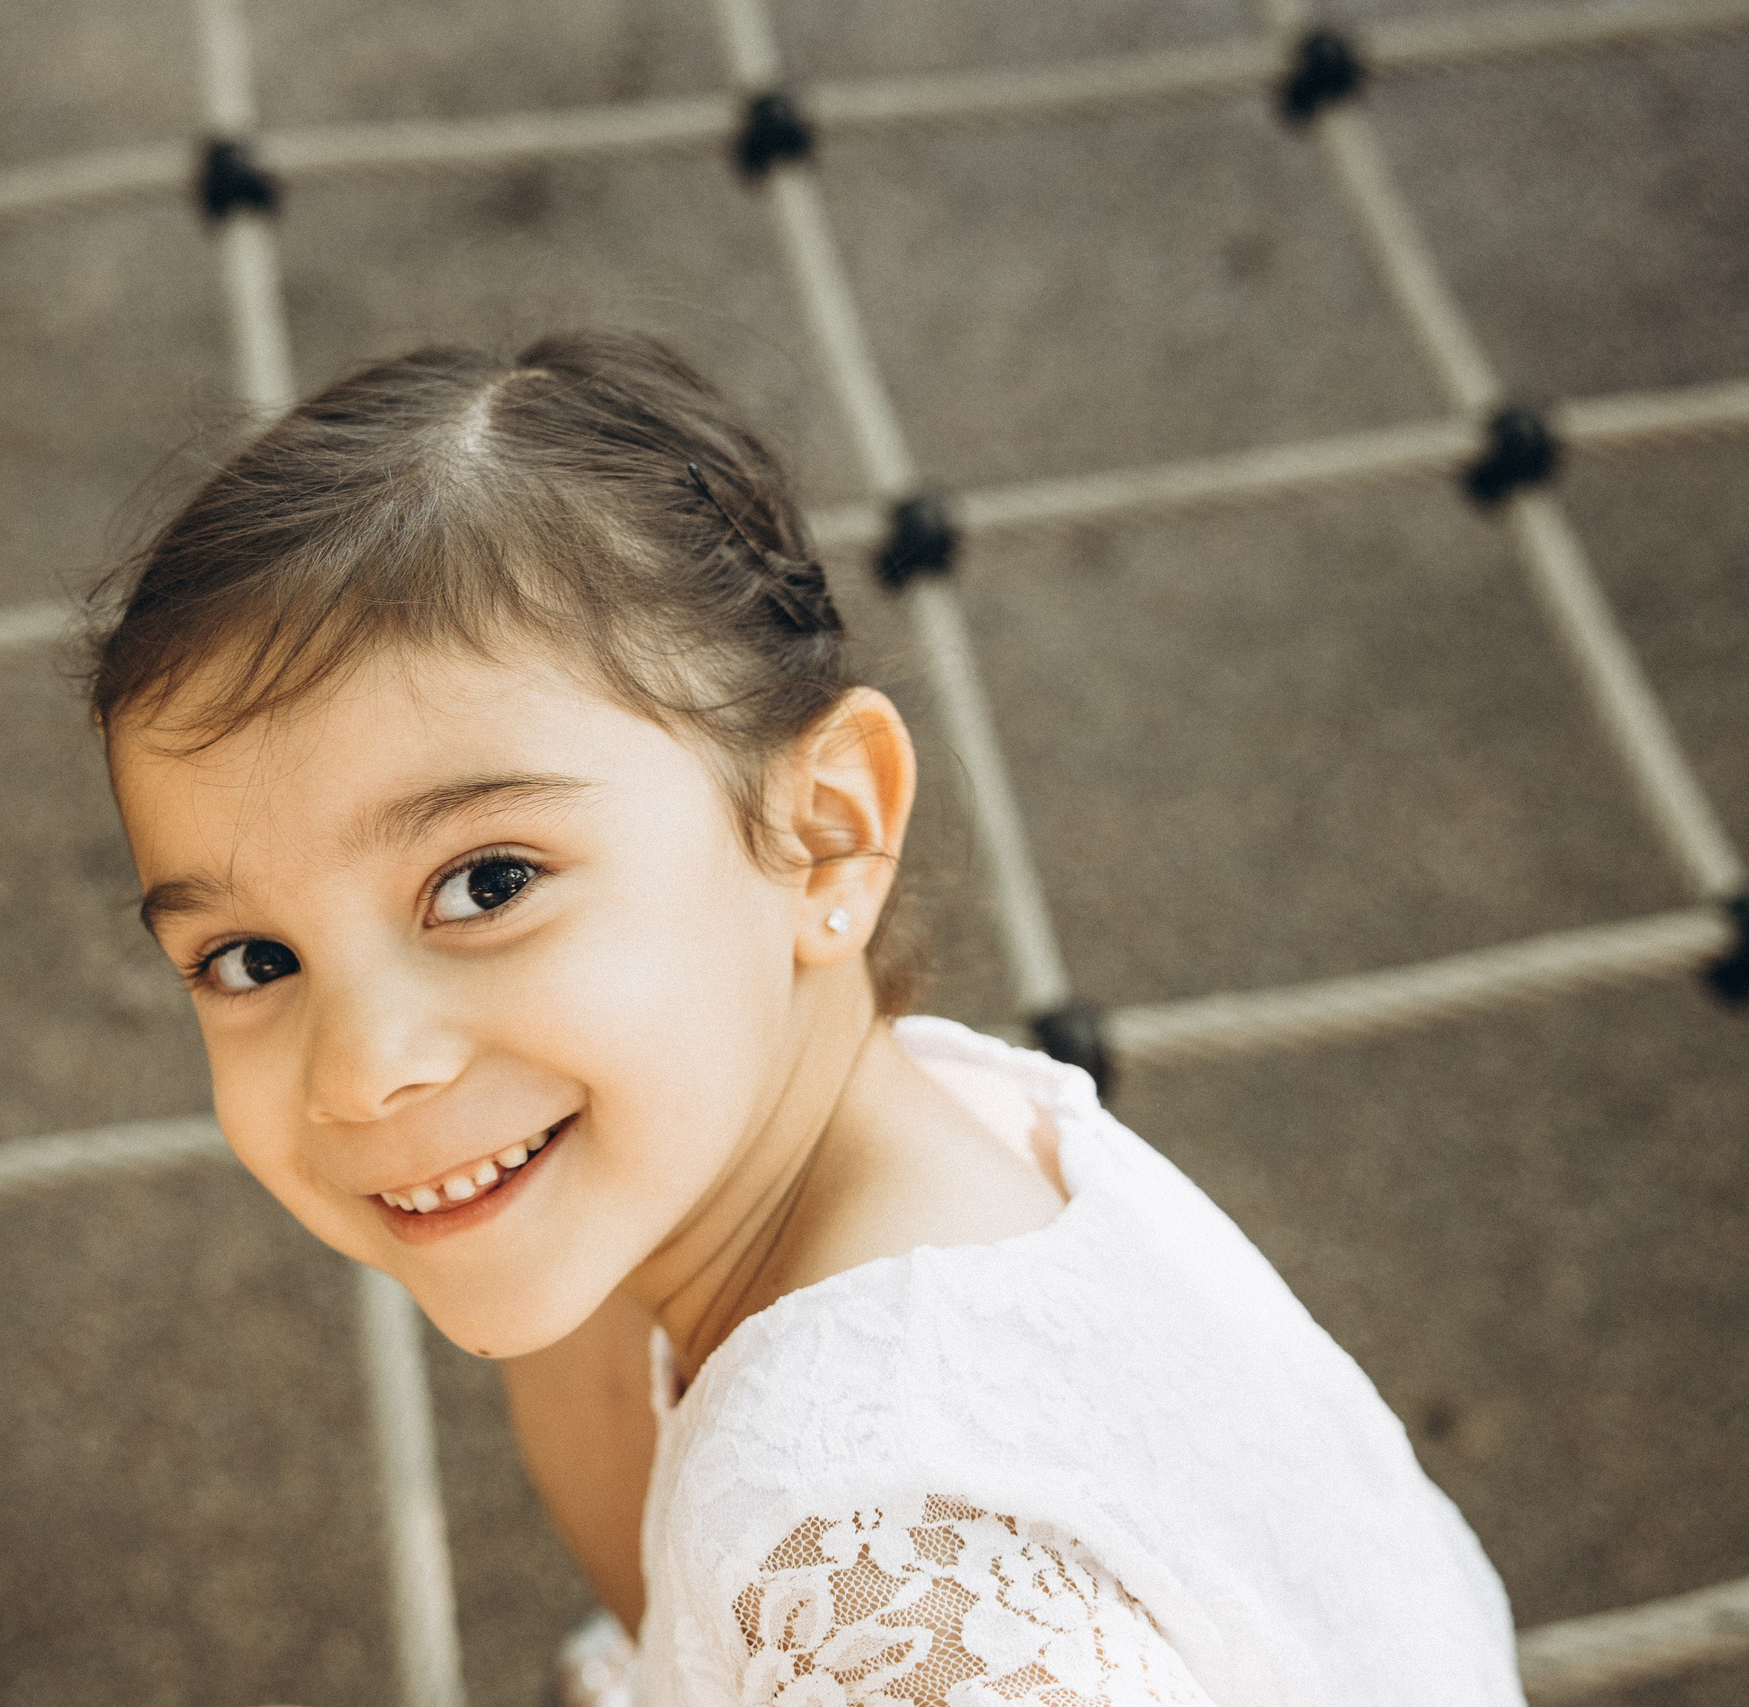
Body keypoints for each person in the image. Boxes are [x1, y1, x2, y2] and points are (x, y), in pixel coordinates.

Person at [89, 330, 1525, 1706]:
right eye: (250, 962)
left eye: (488, 882)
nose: (363, 1071)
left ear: (825, 835)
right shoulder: (928, 1136)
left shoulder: (870, 1574)